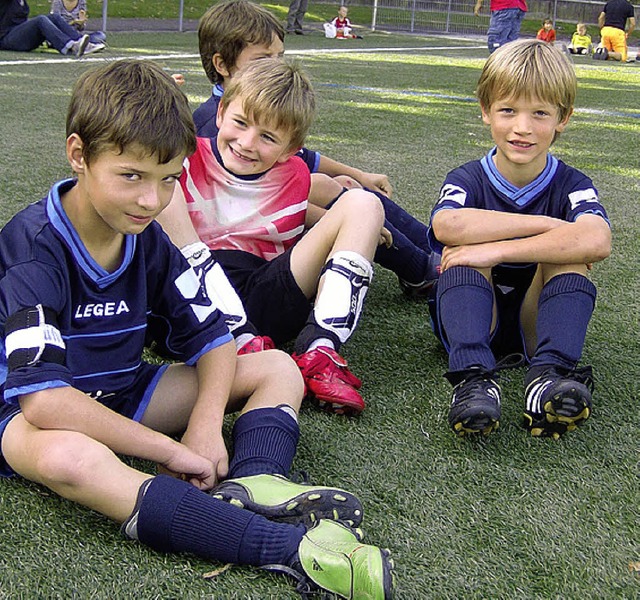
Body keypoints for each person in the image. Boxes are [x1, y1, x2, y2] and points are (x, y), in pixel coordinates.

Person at [0, 59, 394, 600]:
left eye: (168, 180)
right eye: (131, 176)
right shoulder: (34, 246)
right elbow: (44, 402)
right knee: (66, 456)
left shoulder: (146, 237)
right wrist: (169, 450)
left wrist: (206, 427)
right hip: (24, 413)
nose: (151, 200)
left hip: (124, 390)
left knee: (277, 367)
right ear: (79, 154)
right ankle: (282, 550)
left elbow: (212, 338)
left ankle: (256, 482)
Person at [159, 58, 387, 417]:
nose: (248, 143)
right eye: (240, 123)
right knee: (164, 190)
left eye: (268, 137)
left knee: (364, 204)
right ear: (219, 114)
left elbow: (292, 209)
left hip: (266, 294)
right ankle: (241, 341)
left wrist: (360, 227)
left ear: (290, 148)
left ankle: (321, 348)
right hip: (191, 306)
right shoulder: (184, 158)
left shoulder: (296, 176)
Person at [426, 39, 611, 439]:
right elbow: (449, 227)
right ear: (485, 111)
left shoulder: (573, 183)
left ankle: (548, 376)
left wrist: (500, 248)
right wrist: (550, 226)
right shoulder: (467, 177)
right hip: (473, 311)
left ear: (563, 118)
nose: (522, 128)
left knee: (572, 259)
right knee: (466, 253)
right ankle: (473, 379)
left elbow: (598, 240)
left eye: (540, 113)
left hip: (536, 315)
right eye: (508, 110)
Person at [192, 0, 438, 295]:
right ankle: (419, 268)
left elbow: (306, 159)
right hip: (242, 259)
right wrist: (343, 222)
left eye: (279, 56)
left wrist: (361, 174)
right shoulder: (214, 128)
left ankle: (431, 247)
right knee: (330, 190)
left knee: (342, 183)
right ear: (222, 65)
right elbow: (250, 206)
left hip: (270, 228)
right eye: (262, 59)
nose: (275, 66)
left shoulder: (256, 109)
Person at [0, 0, 103, 55]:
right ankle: (70, 47)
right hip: (6, 38)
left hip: (19, 35)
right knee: (40, 19)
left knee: (54, 17)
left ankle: (83, 44)